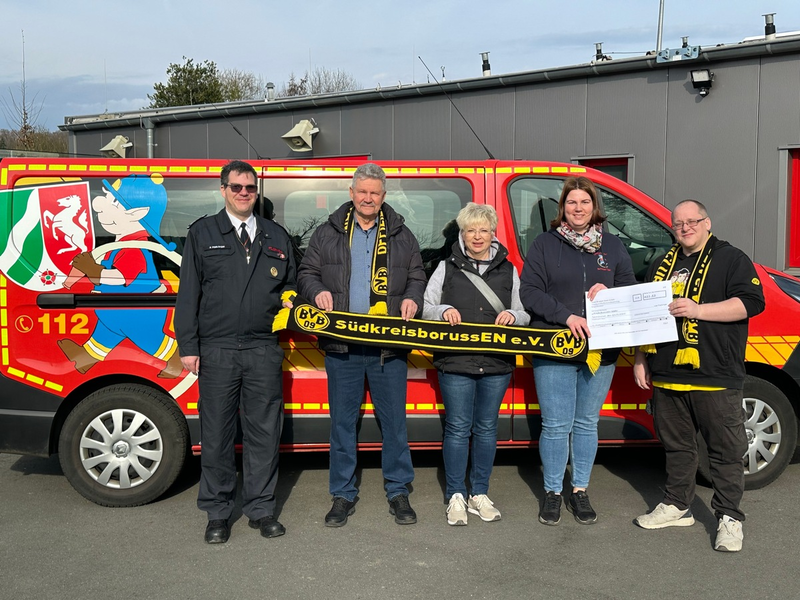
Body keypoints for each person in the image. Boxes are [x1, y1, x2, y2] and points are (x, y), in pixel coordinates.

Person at [297, 162, 426, 527]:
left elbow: (417, 276)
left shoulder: (402, 234)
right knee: (342, 424)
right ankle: (342, 494)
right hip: (343, 347)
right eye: (363, 191)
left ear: (383, 197)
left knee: (394, 424)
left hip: (388, 348)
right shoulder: (327, 233)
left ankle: (399, 492)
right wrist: (317, 290)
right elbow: (306, 273)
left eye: (375, 192)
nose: (368, 198)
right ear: (351, 194)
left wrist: (413, 298)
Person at [175, 160, 296, 544]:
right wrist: (189, 347)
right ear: (223, 189)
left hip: (262, 348)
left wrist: (291, 306)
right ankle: (217, 512)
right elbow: (188, 294)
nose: (244, 193)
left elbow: (292, 286)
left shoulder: (276, 235)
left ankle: (261, 509)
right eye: (236, 187)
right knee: (216, 434)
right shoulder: (203, 232)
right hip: (218, 349)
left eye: (250, 188)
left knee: (264, 433)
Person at [633, 199, 764, 552]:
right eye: (678, 223)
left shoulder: (731, 258)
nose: (685, 228)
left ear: (707, 222)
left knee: (724, 450)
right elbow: (646, 315)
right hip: (666, 372)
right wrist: (642, 358)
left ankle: (730, 517)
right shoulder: (662, 262)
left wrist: (698, 309)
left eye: (693, 221)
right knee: (677, 446)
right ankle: (677, 505)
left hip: (715, 373)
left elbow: (751, 302)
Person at [520, 176, 636, 526]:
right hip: (555, 345)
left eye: (584, 202)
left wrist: (611, 289)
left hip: (602, 349)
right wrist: (565, 315)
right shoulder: (544, 244)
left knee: (586, 423)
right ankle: (553, 492)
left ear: (594, 207)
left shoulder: (613, 246)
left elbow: (628, 288)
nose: (578, 208)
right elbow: (530, 292)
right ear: (563, 208)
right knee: (555, 425)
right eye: (572, 202)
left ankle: (580, 490)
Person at [423, 203, 530, 526]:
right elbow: (426, 307)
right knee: (457, 428)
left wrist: (514, 316)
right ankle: (456, 494)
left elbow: (524, 313)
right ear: (462, 234)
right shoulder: (446, 267)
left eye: (483, 230)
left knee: (486, 429)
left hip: (496, 362)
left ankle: (479, 493)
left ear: (493, 233)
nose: (477, 236)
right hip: (455, 362)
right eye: (471, 230)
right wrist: (442, 311)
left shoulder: (509, 269)